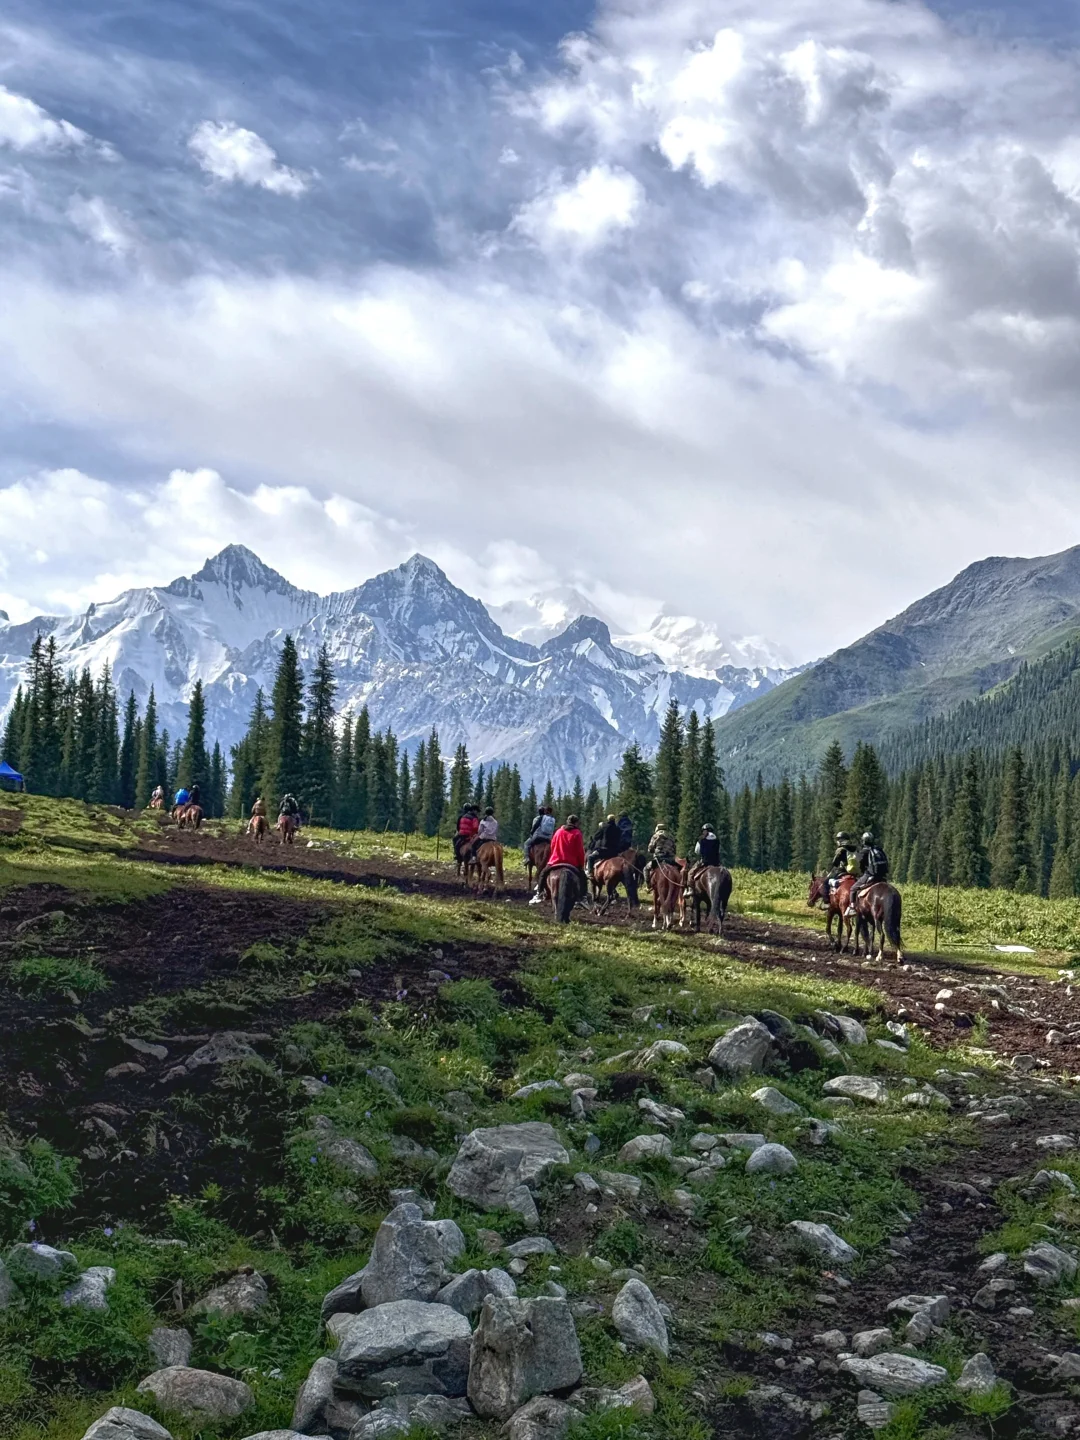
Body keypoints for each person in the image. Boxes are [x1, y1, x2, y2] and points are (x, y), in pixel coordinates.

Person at [530, 814, 587, 905]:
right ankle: (583, 897)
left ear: (567, 821)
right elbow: (580, 850)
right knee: (583, 877)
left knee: (543, 874)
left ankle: (539, 893)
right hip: (572, 862)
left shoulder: (558, 832)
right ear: (576, 823)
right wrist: (581, 864)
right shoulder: (577, 833)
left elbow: (552, 845)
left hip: (555, 861)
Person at [847, 831, 890, 914]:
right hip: (882, 876)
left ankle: (852, 908)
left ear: (863, 841)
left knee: (853, 889)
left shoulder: (864, 851)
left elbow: (860, 864)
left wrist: (862, 872)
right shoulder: (878, 849)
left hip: (871, 875)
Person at [822, 831, 857, 907]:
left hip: (842, 871)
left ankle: (827, 903)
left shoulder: (840, 849)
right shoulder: (854, 848)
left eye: (838, 839)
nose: (837, 841)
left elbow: (835, 863)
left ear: (840, 840)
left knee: (825, 882)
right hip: (855, 872)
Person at [686, 825, 720, 891]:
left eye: (703, 831)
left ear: (706, 830)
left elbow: (697, 851)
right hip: (716, 862)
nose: (703, 832)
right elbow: (718, 850)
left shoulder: (701, 839)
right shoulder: (717, 839)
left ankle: (690, 890)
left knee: (690, 873)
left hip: (705, 862)